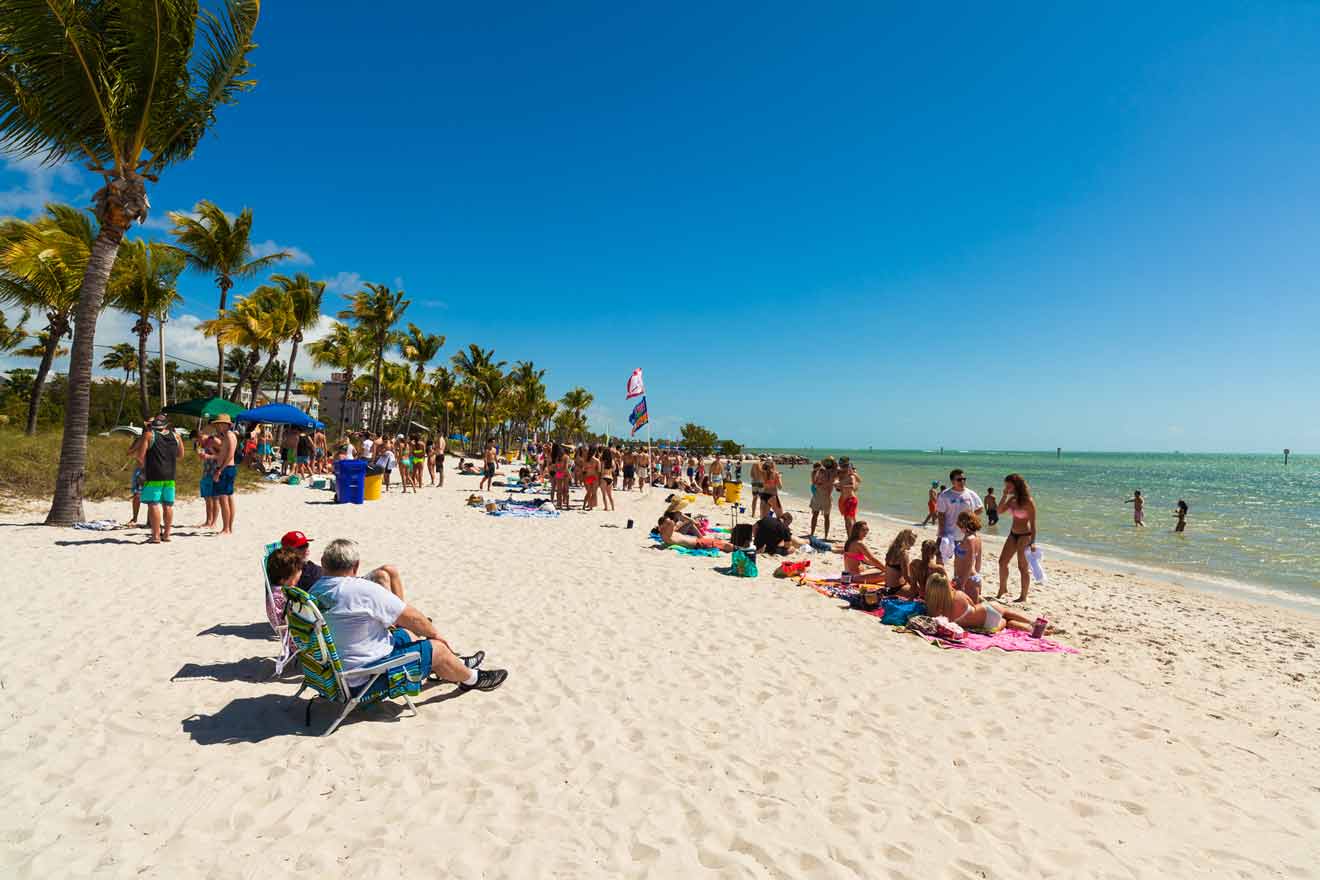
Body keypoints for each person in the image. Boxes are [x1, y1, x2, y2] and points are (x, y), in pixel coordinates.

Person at [309, 539, 507, 694]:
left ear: (324, 563)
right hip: (362, 678)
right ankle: (472, 679)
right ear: (356, 565)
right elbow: (413, 618)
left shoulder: (314, 591)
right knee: (436, 647)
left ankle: (457, 665)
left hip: (330, 673)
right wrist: (438, 637)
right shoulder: (361, 590)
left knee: (408, 636)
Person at [924, 572, 1045, 635]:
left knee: (1007, 622)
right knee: (1006, 612)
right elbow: (973, 604)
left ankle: (1030, 629)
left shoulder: (932, 608)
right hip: (988, 614)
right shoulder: (958, 595)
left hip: (984, 627)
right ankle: (1033, 623)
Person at [136, 414, 184, 544]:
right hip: (170, 476)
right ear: (166, 425)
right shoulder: (176, 436)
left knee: (153, 504)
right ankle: (167, 534)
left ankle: (156, 535)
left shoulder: (149, 435)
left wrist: (143, 469)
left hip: (154, 475)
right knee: (168, 505)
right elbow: (180, 455)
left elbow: (140, 457)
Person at [996, 473, 1037, 603]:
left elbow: (1033, 525)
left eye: (1008, 484)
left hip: (1025, 536)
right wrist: (1004, 495)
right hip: (1013, 534)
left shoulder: (1028, 502)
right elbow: (999, 511)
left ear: (1016, 485)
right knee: (1002, 562)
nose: (1006, 487)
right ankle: (1003, 589)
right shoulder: (1012, 500)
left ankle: (1023, 596)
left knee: (1022, 567)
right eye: (1005, 485)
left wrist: (1033, 543)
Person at [935, 469, 983, 563]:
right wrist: (941, 532)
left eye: (964, 479)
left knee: (961, 562)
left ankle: (957, 578)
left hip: (965, 536)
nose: (962, 481)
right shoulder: (945, 495)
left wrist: (969, 519)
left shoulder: (971, 494)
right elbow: (941, 514)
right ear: (952, 481)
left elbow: (980, 508)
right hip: (948, 534)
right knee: (940, 558)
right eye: (959, 479)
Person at [210, 414, 238, 535]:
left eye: (220, 424)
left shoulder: (229, 435)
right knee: (228, 497)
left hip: (226, 469)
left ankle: (226, 527)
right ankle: (228, 527)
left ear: (226, 424)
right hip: (226, 468)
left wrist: (220, 470)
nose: (218, 426)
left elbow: (230, 454)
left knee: (224, 499)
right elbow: (224, 452)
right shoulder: (226, 436)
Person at [952, 510, 984, 602]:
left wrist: (962, 584)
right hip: (972, 578)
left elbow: (970, 563)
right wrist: (977, 578)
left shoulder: (969, 540)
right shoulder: (977, 539)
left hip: (966, 580)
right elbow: (978, 562)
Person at [655, 516, 733, 552]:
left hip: (699, 541)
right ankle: (741, 550)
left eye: (670, 522)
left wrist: (690, 520)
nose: (671, 523)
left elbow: (676, 526)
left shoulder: (671, 532)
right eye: (668, 523)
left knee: (723, 543)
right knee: (725, 545)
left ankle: (739, 548)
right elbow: (666, 528)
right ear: (662, 527)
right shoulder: (666, 536)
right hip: (698, 544)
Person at [197, 428, 221, 529]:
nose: (200, 441)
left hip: (214, 472)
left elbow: (221, 456)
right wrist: (202, 456)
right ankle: (208, 521)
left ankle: (214, 522)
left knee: (215, 498)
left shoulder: (214, 441)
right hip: (206, 472)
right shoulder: (203, 444)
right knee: (207, 498)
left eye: (201, 438)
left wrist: (208, 456)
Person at [883, 529, 918, 594]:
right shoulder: (903, 553)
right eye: (914, 541)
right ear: (909, 540)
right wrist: (917, 588)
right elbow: (906, 576)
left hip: (887, 586)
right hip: (897, 588)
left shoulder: (892, 549)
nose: (914, 543)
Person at [810, 457, 837, 539]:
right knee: (820, 516)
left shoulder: (831, 472)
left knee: (821, 516)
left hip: (822, 496)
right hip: (821, 496)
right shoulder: (824, 471)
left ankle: (821, 535)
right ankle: (816, 534)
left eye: (830, 462)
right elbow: (815, 482)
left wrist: (820, 484)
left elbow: (815, 482)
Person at [126, 426, 147, 526]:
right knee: (137, 495)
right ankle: (134, 518)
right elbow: (129, 452)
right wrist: (137, 446)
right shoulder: (139, 440)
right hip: (140, 471)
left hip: (152, 470)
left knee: (152, 497)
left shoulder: (155, 439)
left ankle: (150, 520)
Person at [835, 459, 861, 537]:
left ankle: (851, 537)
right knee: (848, 519)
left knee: (849, 520)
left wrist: (841, 485)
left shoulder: (852, 475)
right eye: (842, 465)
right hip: (843, 499)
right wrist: (837, 485)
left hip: (851, 499)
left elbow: (856, 484)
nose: (843, 467)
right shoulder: (839, 473)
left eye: (845, 465)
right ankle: (851, 536)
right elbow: (836, 484)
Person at [599, 446, 617, 511]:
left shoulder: (603, 461)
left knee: (604, 495)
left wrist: (600, 479)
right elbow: (614, 469)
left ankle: (606, 507)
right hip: (610, 478)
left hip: (604, 477)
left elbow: (601, 471)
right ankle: (613, 508)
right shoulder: (612, 461)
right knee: (610, 495)